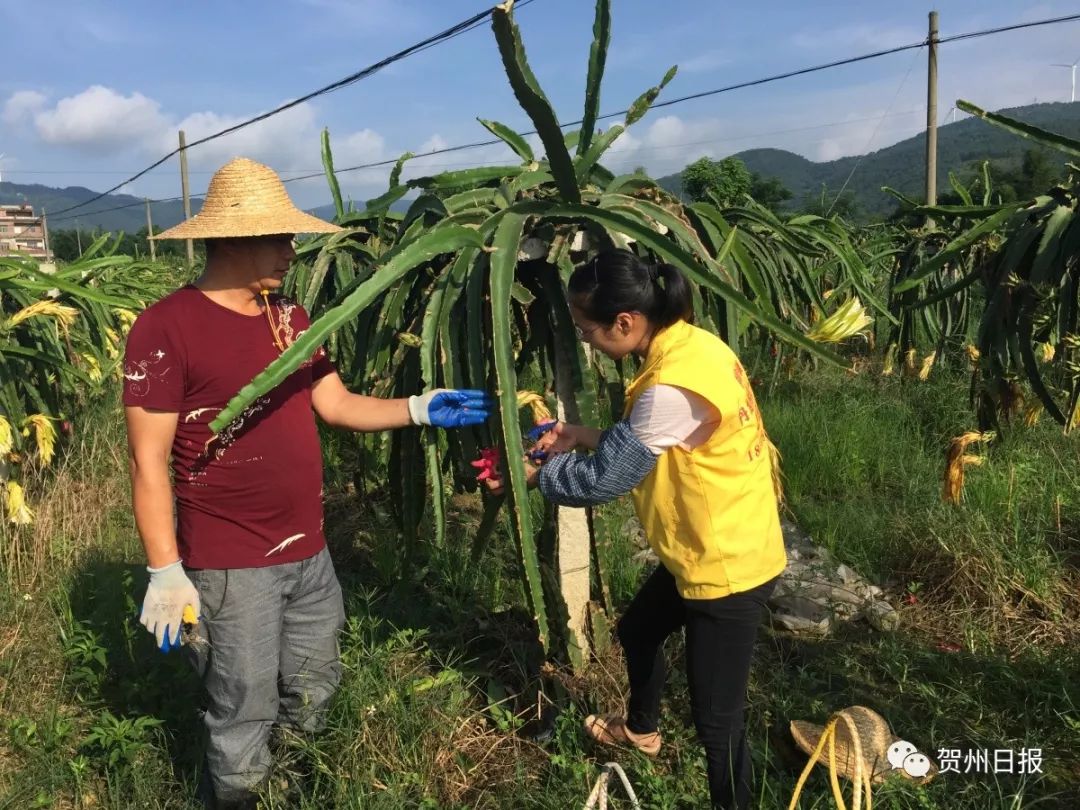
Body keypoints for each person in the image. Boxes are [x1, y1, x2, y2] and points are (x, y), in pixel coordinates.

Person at [124, 157, 492, 809]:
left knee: (313, 688)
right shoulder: (166, 328)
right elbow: (148, 460)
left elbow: (337, 404)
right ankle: (237, 798)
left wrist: (414, 407)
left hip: (309, 553)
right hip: (231, 566)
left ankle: (294, 789)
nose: (294, 250)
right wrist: (165, 569)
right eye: (282, 237)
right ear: (236, 239)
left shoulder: (289, 317)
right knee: (241, 706)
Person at [489, 249, 786, 810]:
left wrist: (533, 471)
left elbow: (606, 479)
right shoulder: (694, 347)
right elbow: (647, 438)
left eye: (587, 331)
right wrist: (578, 433)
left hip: (726, 568)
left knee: (718, 725)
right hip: (703, 546)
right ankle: (642, 732)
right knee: (639, 630)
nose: (586, 341)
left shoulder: (670, 386)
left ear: (624, 322)